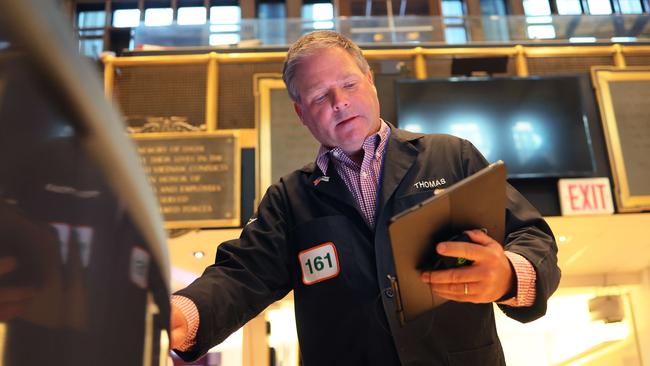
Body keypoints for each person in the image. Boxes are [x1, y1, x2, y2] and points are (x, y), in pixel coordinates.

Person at [170, 30, 560, 366]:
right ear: (300, 112)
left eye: (349, 84)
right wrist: (184, 314)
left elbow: (532, 236)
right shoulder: (290, 199)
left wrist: (510, 275)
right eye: (320, 96)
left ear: (371, 81)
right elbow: (242, 276)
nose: (339, 101)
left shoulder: (451, 156)